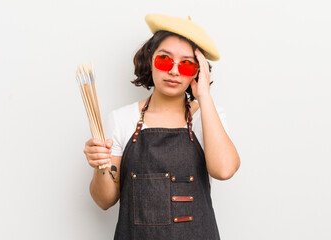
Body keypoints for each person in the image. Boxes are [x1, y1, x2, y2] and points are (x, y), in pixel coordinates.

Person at [83, 13, 240, 240]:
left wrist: (204, 96)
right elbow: (104, 200)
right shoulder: (121, 119)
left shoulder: (207, 117)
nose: (174, 71)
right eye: (165, 60)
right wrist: (100, 165)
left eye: (187, 65)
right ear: (150, 59)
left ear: (198, 71)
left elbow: (224, 170)